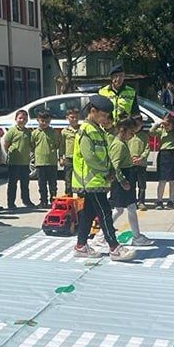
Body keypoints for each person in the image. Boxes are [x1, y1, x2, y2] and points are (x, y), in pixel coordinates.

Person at [71, 95, 135, 262]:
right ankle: (114, 247)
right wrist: (106, 170)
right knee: (105, 212)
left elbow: (105, 155)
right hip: (90, 181)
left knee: (88, 213)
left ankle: (81, 246)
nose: (106, 119)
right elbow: (89, 157)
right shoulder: (86, 130)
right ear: (93, 111)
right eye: (104, 115)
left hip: (97, 180)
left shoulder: (98, 130)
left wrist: (110, 171)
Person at [108, 117, 151, 246]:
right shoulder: (118, 145)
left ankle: (137, 236)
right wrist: (123, 181)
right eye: (131, 132)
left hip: (127, 176)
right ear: (123, 130)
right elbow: (114, 166)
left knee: (131, 207)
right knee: (119, 209)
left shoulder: (123, 143)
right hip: (122, 179)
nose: (132, 135)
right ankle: (101, 235)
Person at [3, 109, 33, 210]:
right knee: (12, 183)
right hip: (14, 162)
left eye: (25, 118)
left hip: (24, 162)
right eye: (20, 118)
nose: (22, 120)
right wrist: (9, 153)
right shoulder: (12, 131)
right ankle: (11, 203)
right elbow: (6, 144)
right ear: (16, 119)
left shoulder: (28, 132)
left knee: (25, 183)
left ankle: (26, 200)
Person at [151, 112, 174, 209]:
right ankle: (159, 200)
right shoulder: (161, 131)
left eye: (168, 124)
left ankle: (171, 200)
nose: (166, 126)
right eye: (165, 124)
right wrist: (158, 124)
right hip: (163, 154)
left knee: (172, 180)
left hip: (172, 154)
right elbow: (151, 132)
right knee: (162, 179)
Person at [32, 110, 60, 206]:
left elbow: (57, 144)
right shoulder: (35, 133)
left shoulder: (53, 132)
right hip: (40, 162)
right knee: (41, 183)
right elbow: (32, 145)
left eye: (47, 121)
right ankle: (43, 200)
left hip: (51, 162)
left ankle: (53, 200)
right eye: (42, 121)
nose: (44, 123)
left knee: (53, 183)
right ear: (38, 120)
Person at [128, 114, 150, 210]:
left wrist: (141, 158)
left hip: (141, 164)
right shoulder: (128, 135)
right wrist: (129, 158)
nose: (136, 126)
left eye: (139, 124)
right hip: (130, 163)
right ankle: (132, 201)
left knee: (142, 184)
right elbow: (124, 148)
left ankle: (141, 201)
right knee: (131, 184)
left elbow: (147, 149)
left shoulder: (144, 136)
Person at [60, 107, 80, 197]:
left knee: (80, 178)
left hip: (80, 157)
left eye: (76, 117)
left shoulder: (82, 129)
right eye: (72, 117)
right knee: (68, 178)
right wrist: (61, 157)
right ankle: (69, 195)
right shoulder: (64, 132)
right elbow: (62, 146)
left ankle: (81, 196)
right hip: (69, 158)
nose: (74, 119)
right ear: (67, 118)